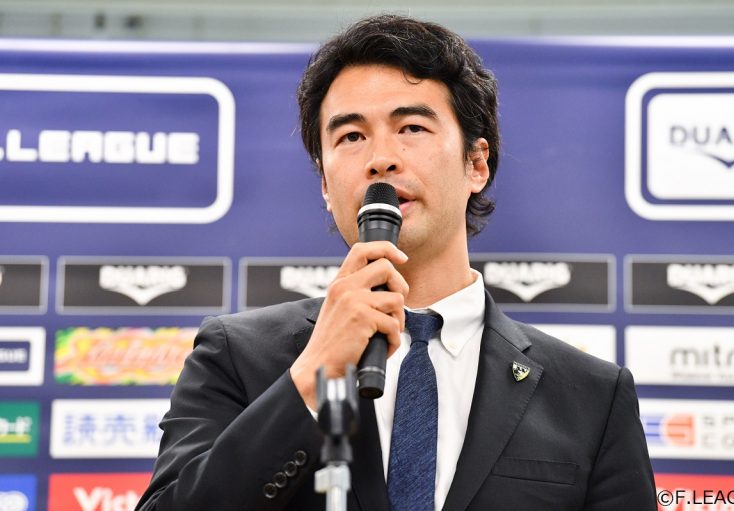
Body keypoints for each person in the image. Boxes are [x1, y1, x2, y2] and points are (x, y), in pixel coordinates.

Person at [136, 14, 656, 511]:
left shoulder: (590, 395)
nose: (380, 158)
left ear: (476, 163)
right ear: (325, 184)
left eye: (411, 127)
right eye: (351, 137)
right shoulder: (236, 356)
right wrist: (313, 374)